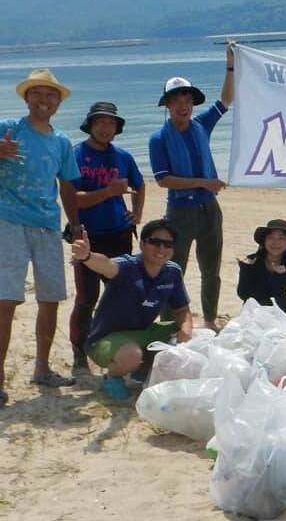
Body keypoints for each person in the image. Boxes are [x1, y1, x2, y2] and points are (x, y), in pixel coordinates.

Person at [0, 69, 81, 406]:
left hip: (48, 224)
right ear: (27, 98)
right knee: (6, 301)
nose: (44, 100)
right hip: (8, 221)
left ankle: (42, 369)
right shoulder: (8, 129)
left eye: (51, 95)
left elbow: (67, 185)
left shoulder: (62, 141)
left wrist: (75, 224)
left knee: (50, 298)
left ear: (58, 103)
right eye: (38, 93)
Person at [148, 43, 235, 332]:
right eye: (176, 101)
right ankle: (169, 324)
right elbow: (163, 180)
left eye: (187, 99)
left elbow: (226, 100)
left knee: (212, 269)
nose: (183, 105)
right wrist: (203, 182)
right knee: (173, 269)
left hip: (210, 208)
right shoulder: (158, 138)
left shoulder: (202, 125)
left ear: (192, 103)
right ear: (168, 106)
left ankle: (209, 319)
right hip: (180, 212)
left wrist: (230, 66)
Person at [72, 219, 192, 401]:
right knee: (132, 355)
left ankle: (141, 371)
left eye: (167, 244)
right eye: (155, 242)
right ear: (143, 244)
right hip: (105, 339)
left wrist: (186, 330)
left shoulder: (172, 272)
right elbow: (107, 266)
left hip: (143, 333)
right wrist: (87, 257)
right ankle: (112, 377)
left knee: (192, 333)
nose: (161, 249)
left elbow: (182, 310)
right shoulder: (128, 266)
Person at [67, 101, 145, 373]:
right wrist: (108, 192)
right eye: (100, 122)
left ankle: (116, 345)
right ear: (90, 125)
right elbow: (72, 199)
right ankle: (79, 353)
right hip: (88, 237)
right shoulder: (76, 155)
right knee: (86, 297)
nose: (105, 127)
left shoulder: (123, 156)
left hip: (119, 235)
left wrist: (137, 213)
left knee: (120, 293)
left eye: (111, 123)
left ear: (117, 128)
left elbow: (140, 183)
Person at [237, 219, 286, 323]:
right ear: (264, 241)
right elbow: (243, 293)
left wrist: (278, 275)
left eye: (281, 238)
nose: (275, 242)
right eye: (271, 237)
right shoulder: (251, 261)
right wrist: (246, 269)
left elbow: (278, 292)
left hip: (283, 306)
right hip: (255, 307)